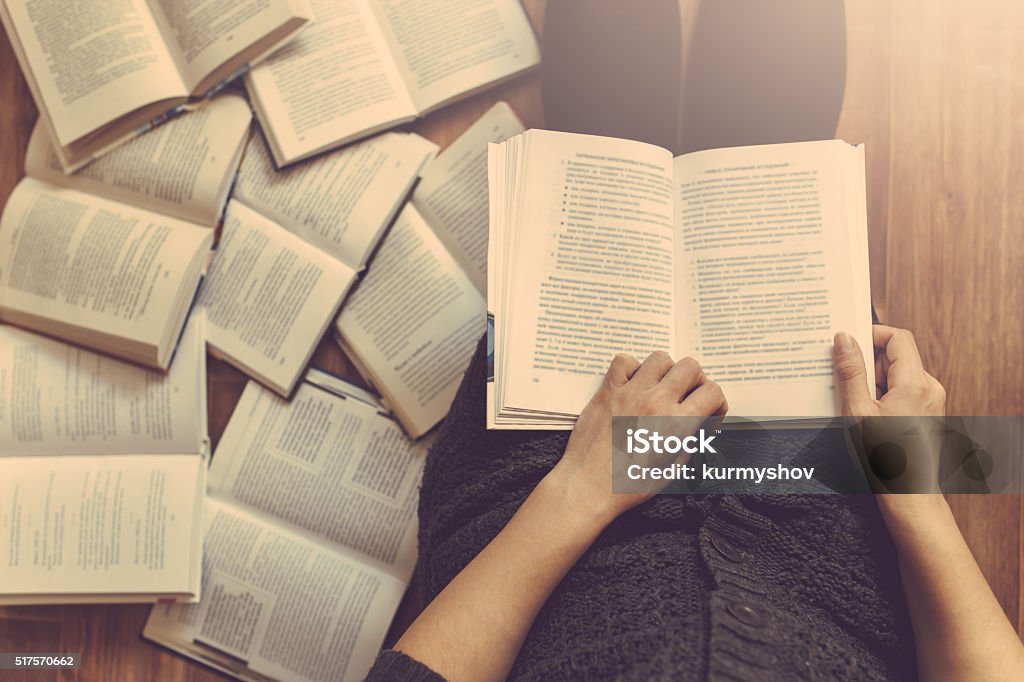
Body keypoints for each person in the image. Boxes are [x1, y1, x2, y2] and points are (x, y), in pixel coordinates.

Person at [366, 327, 1024, 681]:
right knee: (781, 132)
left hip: (536, 512)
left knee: (595, 139)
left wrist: (578, 491)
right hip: (835, 514)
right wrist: (914, 495)